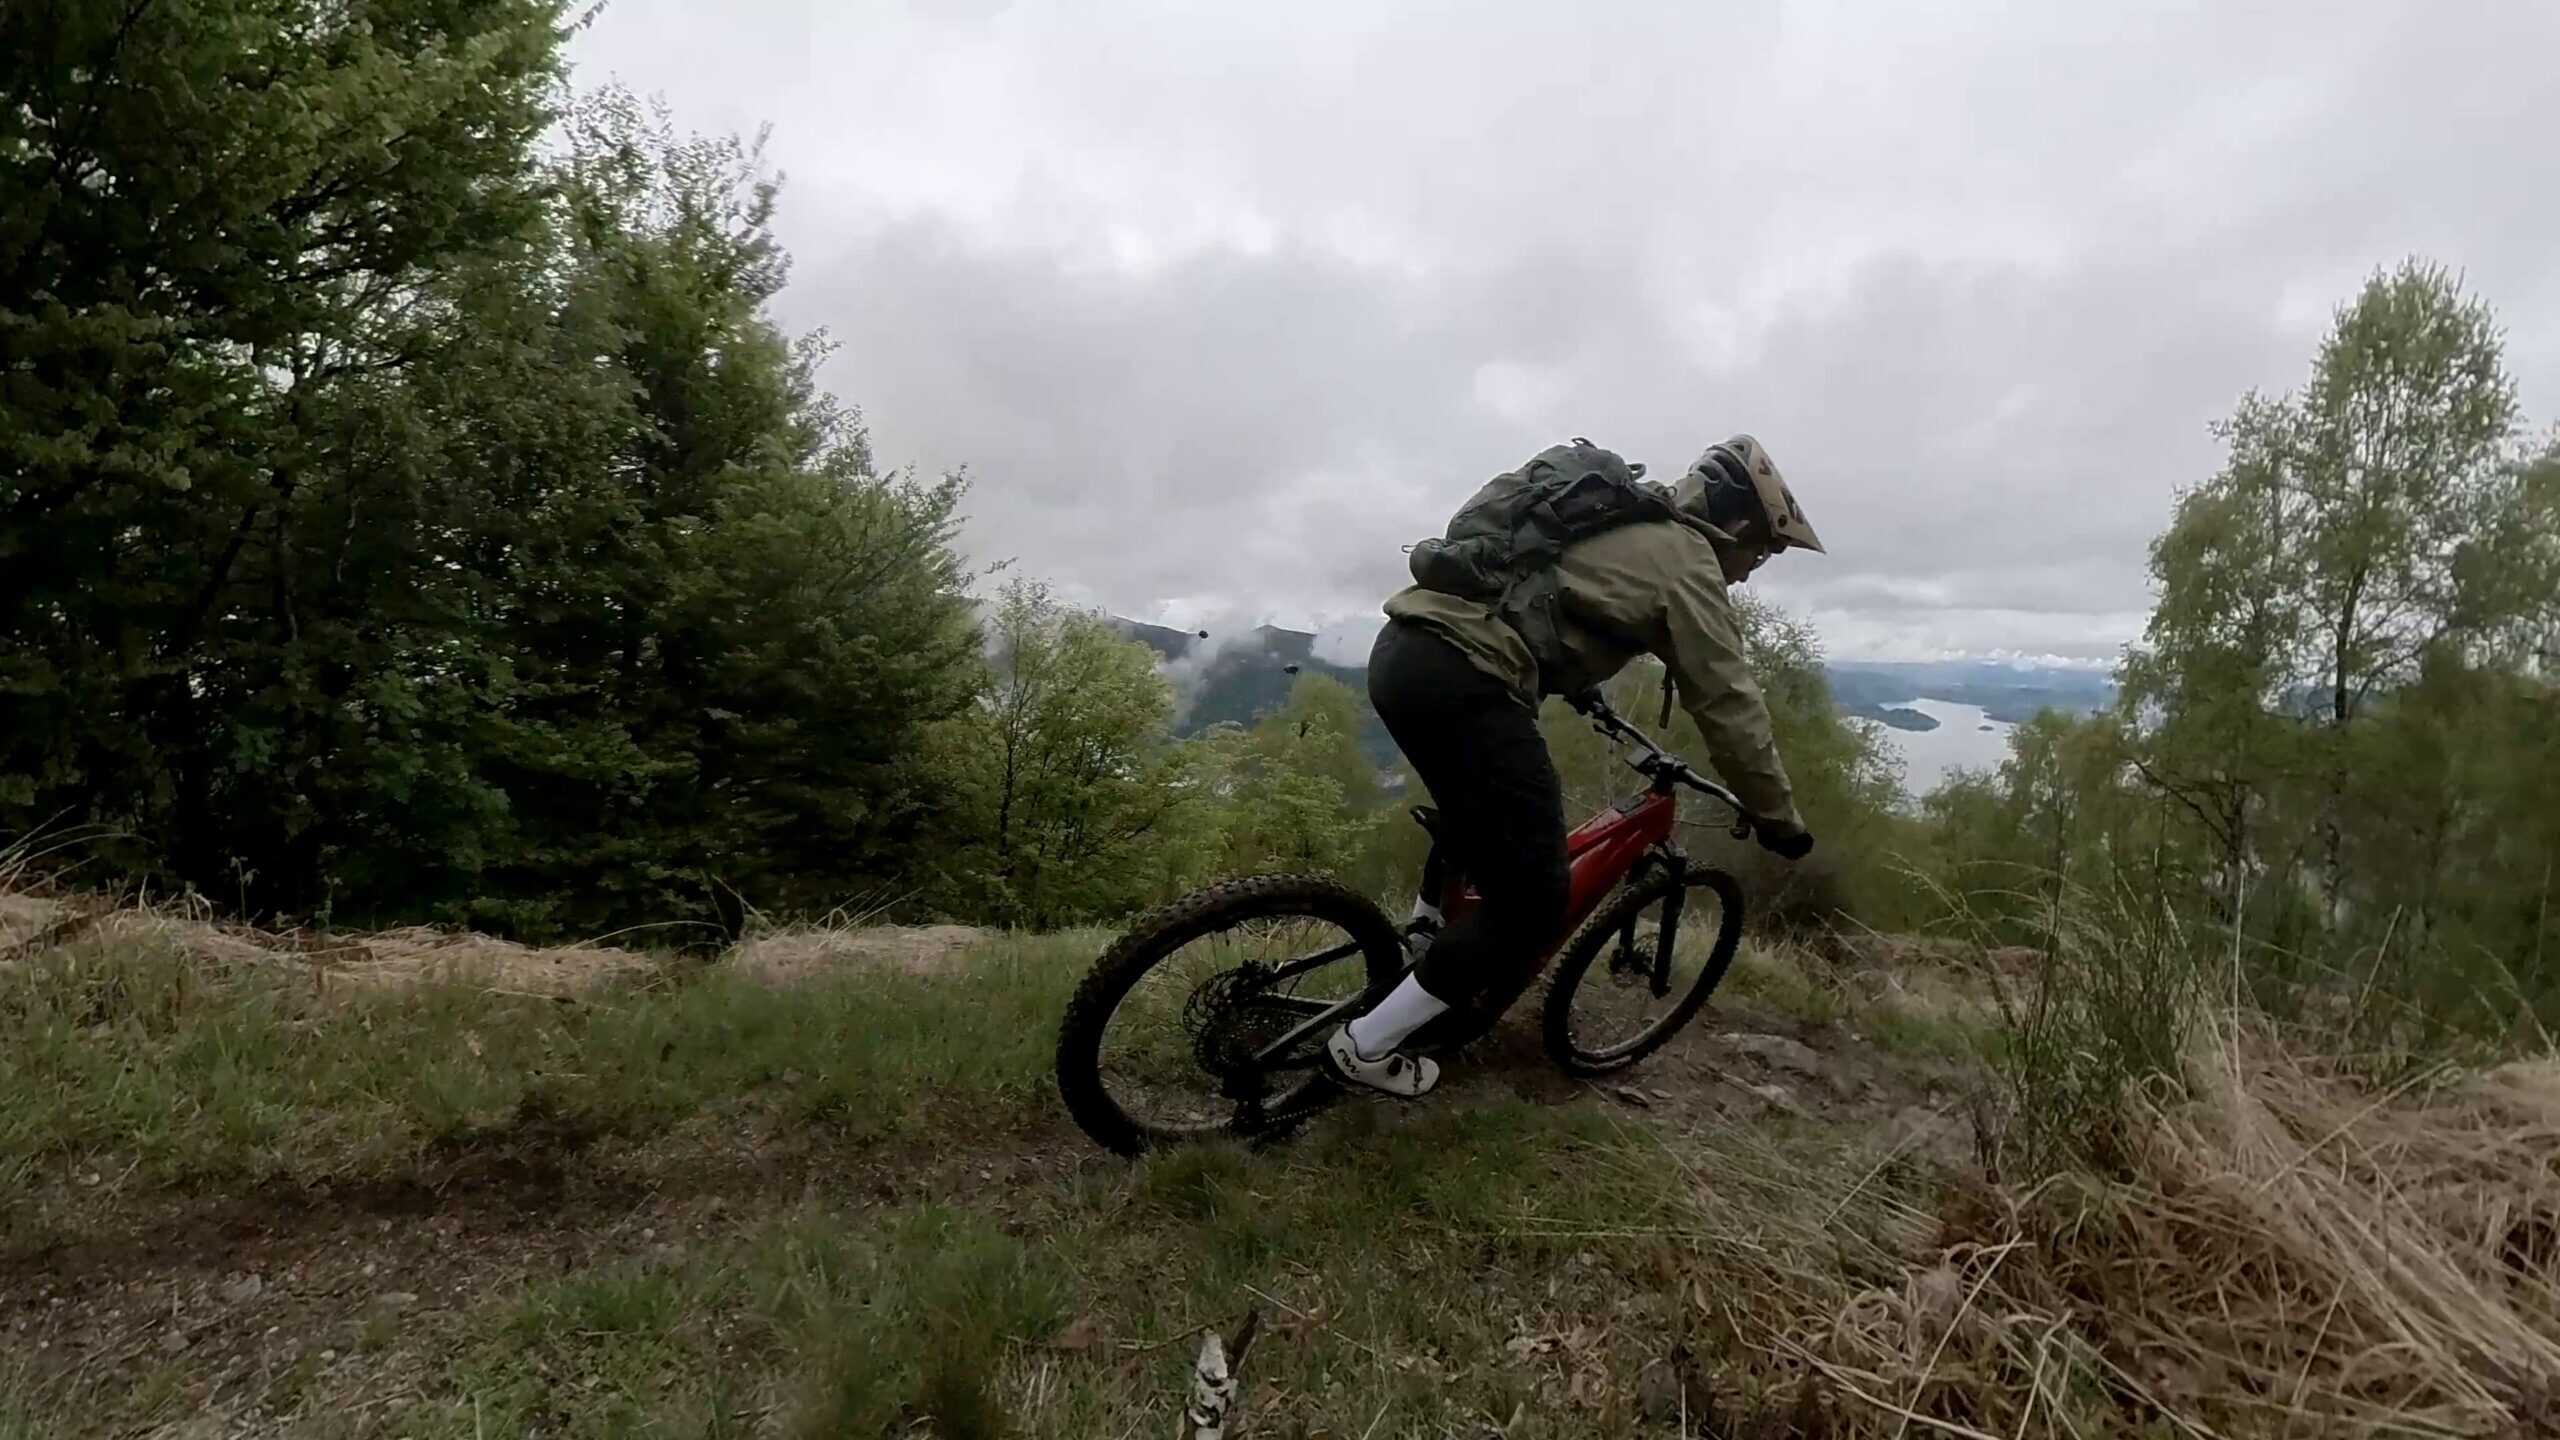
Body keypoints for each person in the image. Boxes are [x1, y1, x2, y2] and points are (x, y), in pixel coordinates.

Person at [1326, 434, 1823, 1098]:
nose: (1751, 570)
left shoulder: (1622, 523)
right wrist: (1778, 819)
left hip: (1406, 652)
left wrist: (1581, 689)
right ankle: (1365, 1047)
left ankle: (1426, 935)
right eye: (1759, 552)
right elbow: (1730, 704)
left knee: (1480, 810)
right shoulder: (1688, 563)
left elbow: (1548, 604)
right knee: (1533, 902)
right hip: (1467, 680)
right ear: (1734, 525)